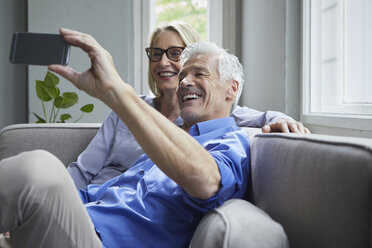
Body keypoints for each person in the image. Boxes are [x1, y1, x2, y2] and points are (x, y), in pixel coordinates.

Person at [0, 29, 287, 248]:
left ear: (231, 89)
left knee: (39, 169)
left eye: (199, 74)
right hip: (78, 225)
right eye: (183, 75)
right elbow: (91, 191)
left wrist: (116, 92)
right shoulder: (162, 145)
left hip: (102, 241)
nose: (184, 81)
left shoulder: (232, 142)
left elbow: (206, 180)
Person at [68, 21, 309, 190]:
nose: (163, 62)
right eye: (156, 53)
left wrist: (282, 120)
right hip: (98, 195)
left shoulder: (201, 118)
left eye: (174, 53)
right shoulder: (130, 109)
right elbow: (83, 171)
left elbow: (256, 115)